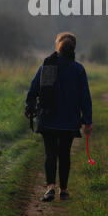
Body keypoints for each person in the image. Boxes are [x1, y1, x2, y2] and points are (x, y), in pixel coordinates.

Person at [25, 32, 92, 202]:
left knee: (50, 154)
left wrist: (30, 106)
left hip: (48, 118)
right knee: (64, 154)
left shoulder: (47, 66)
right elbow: (85, 97)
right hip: (69, 121)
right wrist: (88, 120)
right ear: (73, 48)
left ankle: (50, 188)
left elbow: (33, 89)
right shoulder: (78, 69)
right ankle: (64, 190)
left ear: (58, 47)